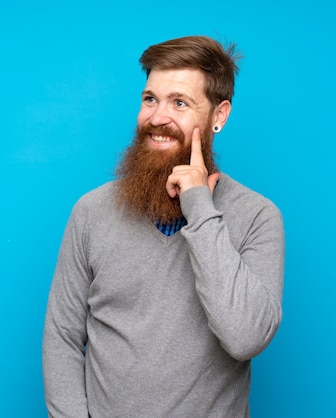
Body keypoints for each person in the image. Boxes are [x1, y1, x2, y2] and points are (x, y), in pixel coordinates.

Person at [42, 35, 285, 417]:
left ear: (218, 116)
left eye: (179, 102)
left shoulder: (258, 217)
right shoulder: (91, 211)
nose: (157, 117)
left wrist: (199, 207)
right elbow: (62, 340)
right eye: (150, 98)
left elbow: (245, 337)